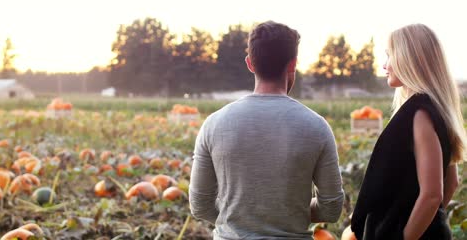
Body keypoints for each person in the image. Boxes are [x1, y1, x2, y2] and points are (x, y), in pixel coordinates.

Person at [189, 21, 344, 239]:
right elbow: (331, 207)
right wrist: (289, 215)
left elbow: (200, 204)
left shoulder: (214, 124)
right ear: (292, 64)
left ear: (250, 63)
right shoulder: (316, 126)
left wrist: (241, 219)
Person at [351, 23, 466, 240]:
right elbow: (451, 182)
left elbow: (433, 195)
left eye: (389, 56)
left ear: (408, 58)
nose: (385, 65)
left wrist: (406, 236)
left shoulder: (419, 113)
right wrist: (431, 222)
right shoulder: (436, 109)